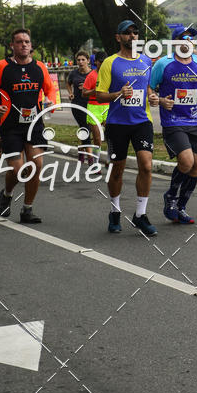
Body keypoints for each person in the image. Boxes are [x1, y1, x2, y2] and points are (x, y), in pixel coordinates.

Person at [0, 28, 57, 223]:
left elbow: (50, 89)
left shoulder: (39, 67)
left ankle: (27, 209)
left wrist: (51, 103)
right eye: (19, 42)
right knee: (19, 170)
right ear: (12, 46)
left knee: (37, 165)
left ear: (31, 45)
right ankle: (7, 194)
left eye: (26, 41)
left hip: (34, 124)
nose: (24, 44)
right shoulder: (2, 66)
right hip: (11, 126)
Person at [95, 20, 159, 236]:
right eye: (127, 33)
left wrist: (152, 96)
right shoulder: (110, 63)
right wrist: (117, 94)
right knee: (116, 169)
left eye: (135, 32)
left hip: (142, 121)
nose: (132, 36)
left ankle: (140, 215)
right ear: (118, 37)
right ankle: (115, 211)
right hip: (117, 124)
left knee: (146, 165)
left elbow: (149, 87)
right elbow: (99, 94)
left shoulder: (146, 61)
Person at [151, 33, 197, 224]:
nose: (187, 42)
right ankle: (171, 196)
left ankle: (181, 206)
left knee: (196, 165)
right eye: (183, 38)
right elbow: (150, 87)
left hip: (196, 122)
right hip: (173, 121)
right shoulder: (164, 63)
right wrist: (160, 100)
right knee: (187, 162)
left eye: (190, 39)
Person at [81, 50, 108, 164]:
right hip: (94, 107)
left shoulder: (110, 74)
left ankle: (110, 160)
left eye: (104, 62)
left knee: (111, 136)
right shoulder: (91, 76)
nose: (102, 64)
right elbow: (84, 93)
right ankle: (96, 162)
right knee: (97, 138)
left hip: (107, 106)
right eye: (100, 62)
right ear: (96, 62)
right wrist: (95, 91)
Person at [67, 50, 92, 162]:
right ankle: (91, 158)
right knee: (84, 128)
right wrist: (70, 93)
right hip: (77, 104)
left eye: (83, 60)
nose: (81, 62)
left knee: (87, 129)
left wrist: (88, 90)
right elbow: (68, 83)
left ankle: (82, 151)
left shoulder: (93, 74)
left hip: (91, 104)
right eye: (79, 60)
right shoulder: (74, 73)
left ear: (88, 61)